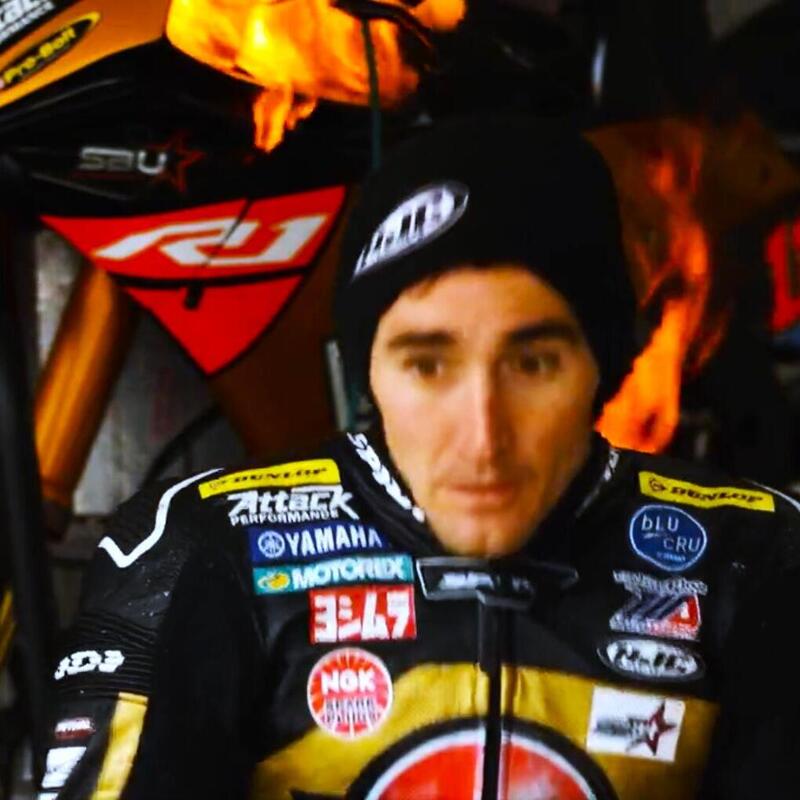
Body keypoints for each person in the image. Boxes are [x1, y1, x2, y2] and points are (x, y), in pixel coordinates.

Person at [40, 116, 800, 800]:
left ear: (605, 366)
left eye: (534, 363)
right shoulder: (203, 547)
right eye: (427, 364)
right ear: (367, 371)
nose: (482, 436)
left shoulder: (755, 559)